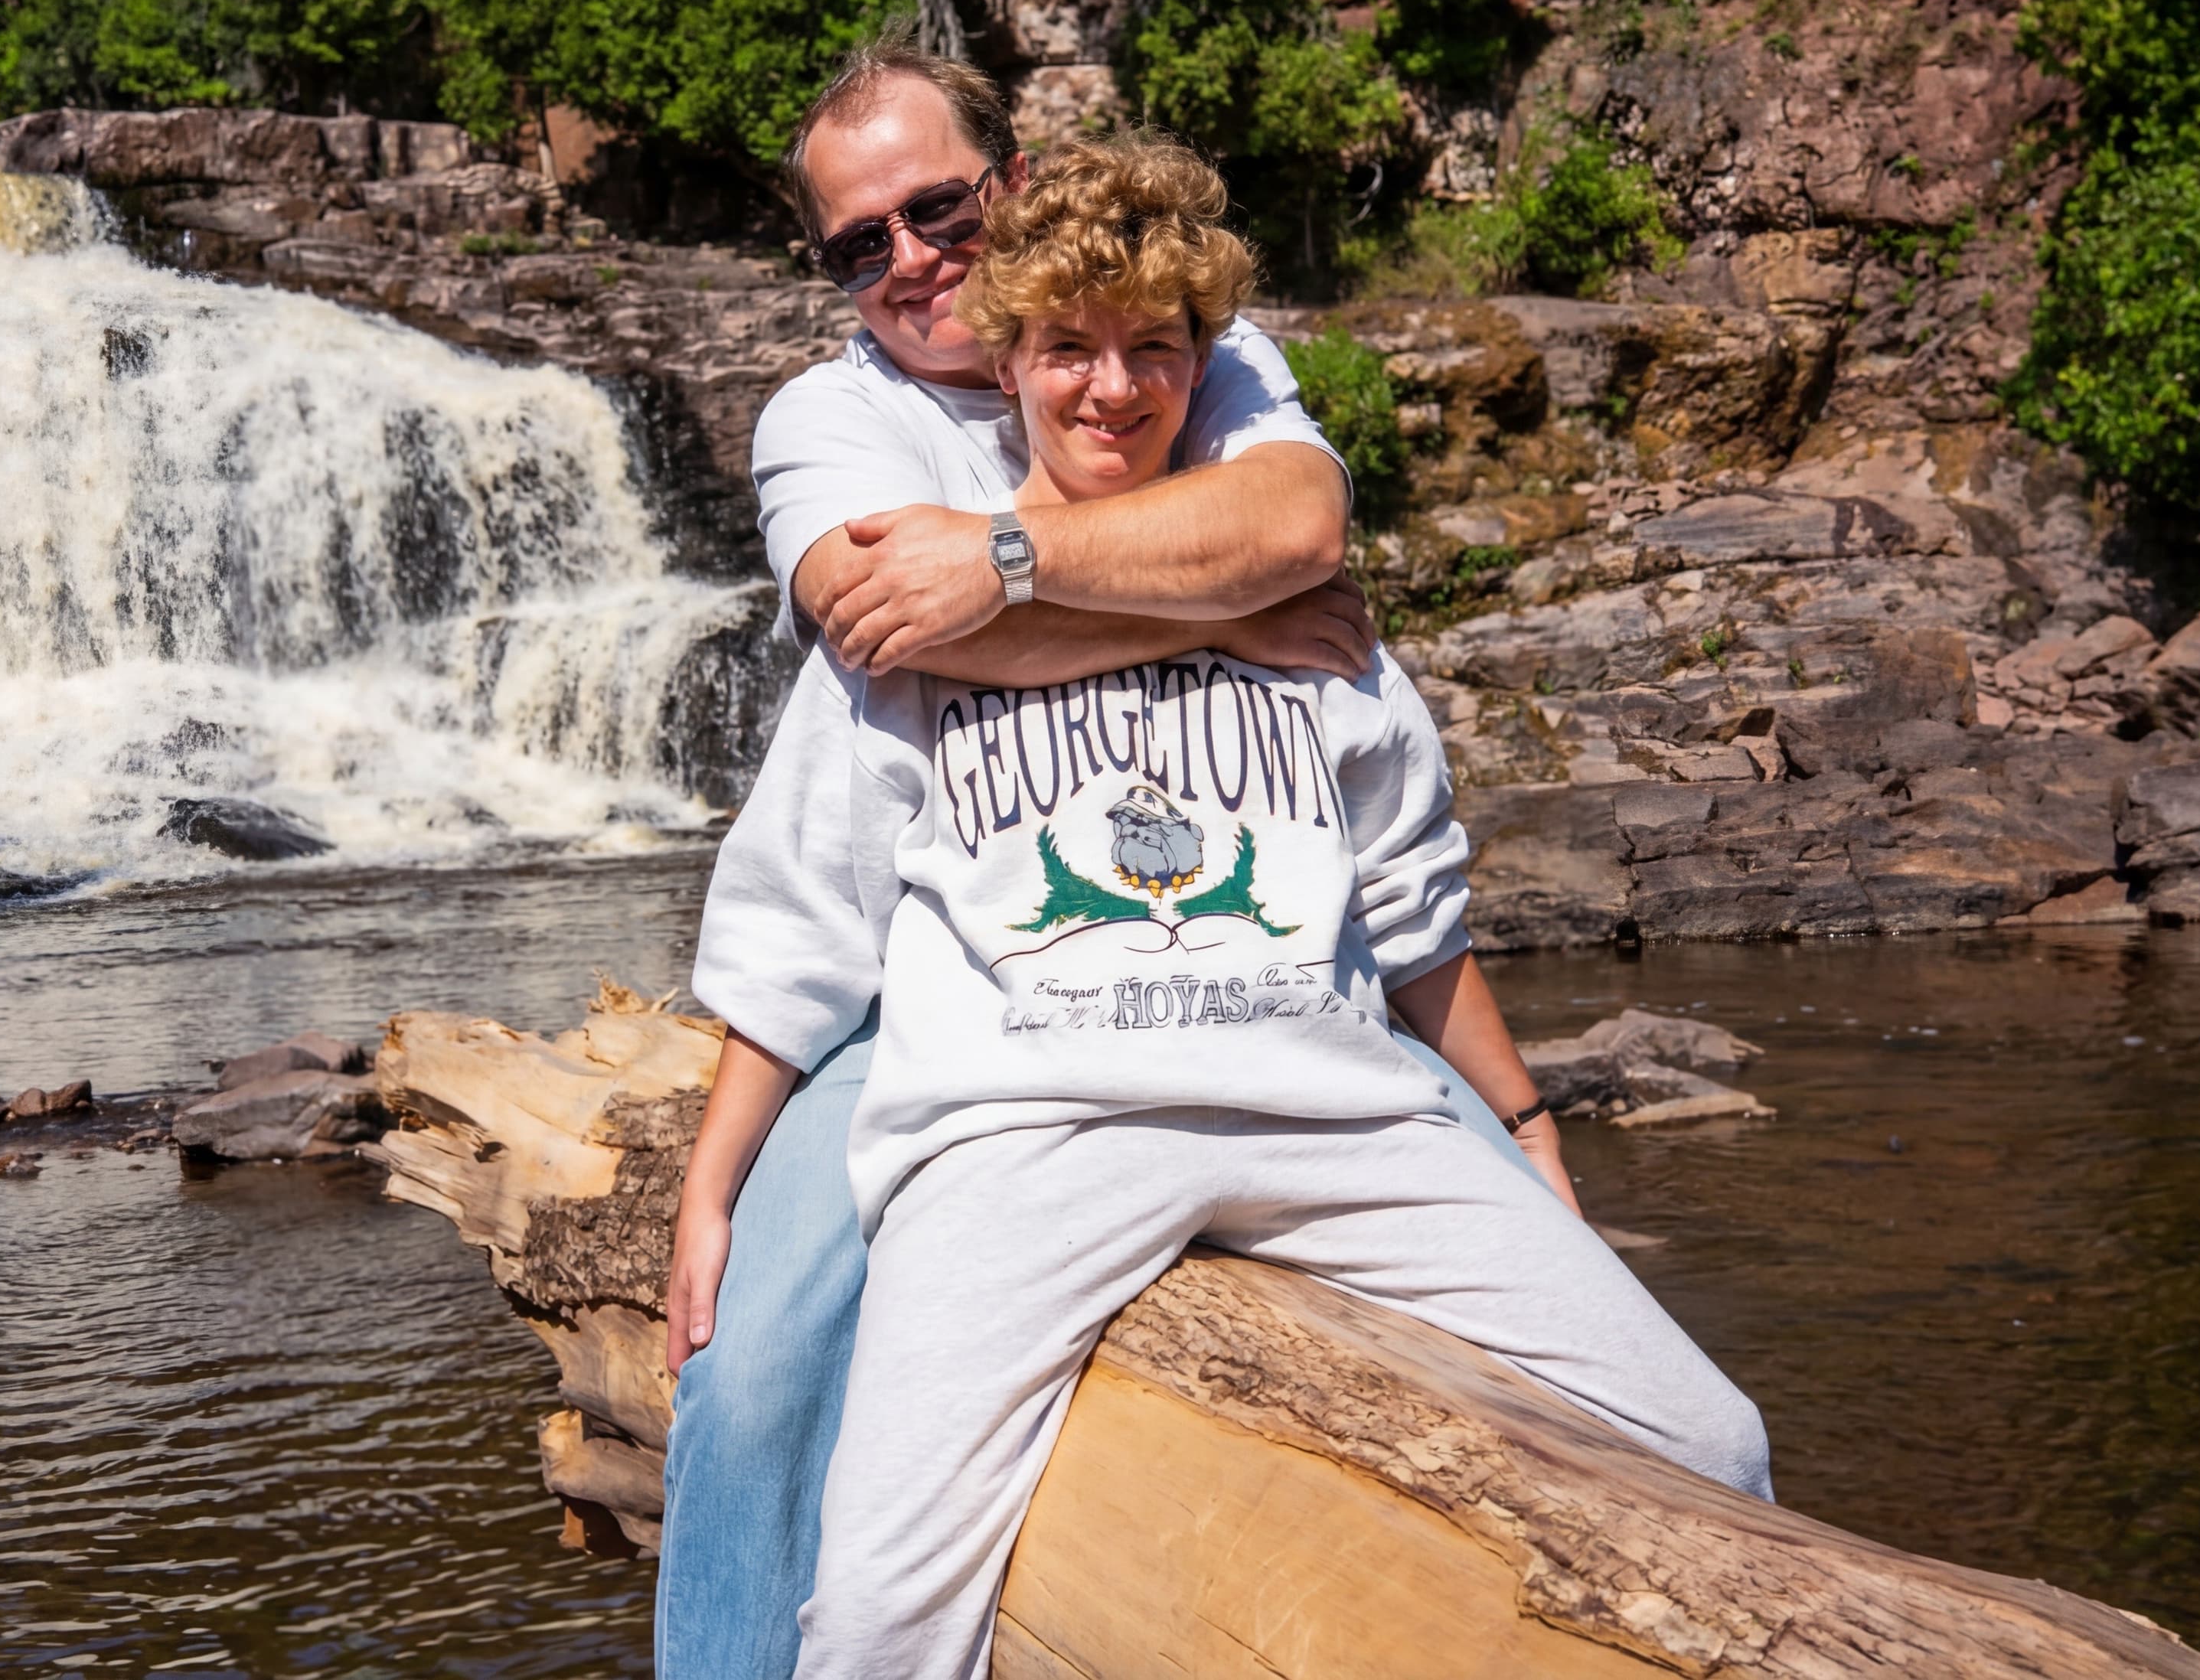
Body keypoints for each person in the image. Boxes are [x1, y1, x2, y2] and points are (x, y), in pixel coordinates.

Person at [672, 133, 1771, 1678]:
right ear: (1011, 358)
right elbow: (804, 922)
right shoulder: (908, 622)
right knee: (872, 1626)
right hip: (1025, 1137)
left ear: (1207, 361)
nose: (1111, 389)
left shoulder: (1311, 621)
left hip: (1332, 1114)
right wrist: (715, 1191)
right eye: (1068, 350)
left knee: (1713, 1441)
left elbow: (1407, 906)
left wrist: (1522, 1123)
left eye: (1153, 352)